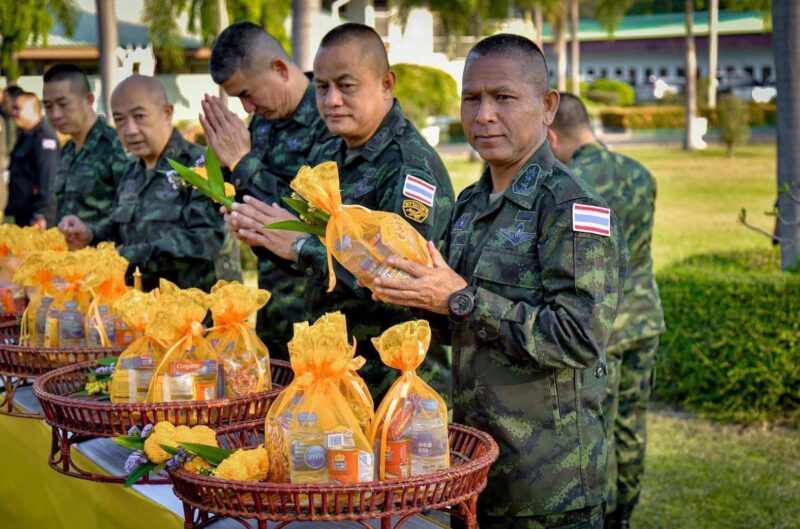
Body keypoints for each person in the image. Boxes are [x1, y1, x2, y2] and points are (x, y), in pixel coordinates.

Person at [371, 34, 626, 528]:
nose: (484, 114)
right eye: (472, 99)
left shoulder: (571, 208)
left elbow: (579, 337)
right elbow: (457, 324)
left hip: (549, 488)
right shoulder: (470, 203)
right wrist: (411, 291)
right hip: (473, 470)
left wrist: (461, 300)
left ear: (547, 106)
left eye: (503, 98)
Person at [224, 23, 456, 399]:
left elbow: (399, 279)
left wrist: (301, 247)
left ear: (386, 84)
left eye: (346, 86)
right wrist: (262, 234)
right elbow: (309, 254)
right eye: (321, 87)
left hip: (396, 385)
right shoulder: (330, 152)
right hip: (338, 373)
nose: (331, 100)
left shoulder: (409, 168)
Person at [549, 93, 665, 529]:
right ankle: (626, 514)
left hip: (603, 326)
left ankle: (605, 516)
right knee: (632, 425)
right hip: (645, 317)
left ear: (552, 134)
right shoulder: (641, 174)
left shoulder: (571, 183)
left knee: (597, 426)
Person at [203, 21, 333, 359]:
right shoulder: (263, 121)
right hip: (275, 306)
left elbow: (307, 218)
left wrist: (242, 161)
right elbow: (258, 199)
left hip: (320, 318)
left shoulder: (330, 120)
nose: (246, 107)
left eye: (247, 93)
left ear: (279, 69)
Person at [58, 75, 225, 291]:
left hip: (191, 315)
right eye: (119, 120)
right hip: (137, 309)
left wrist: (127, 256)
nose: (130, 130)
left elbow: (205, 241)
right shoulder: (132, 170)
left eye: (139, 116)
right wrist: (90, 233)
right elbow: (122, 228)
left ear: (167, 113)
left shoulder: (200, 165)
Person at [43, 64, 128, 234]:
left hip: (106, 256)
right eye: (48, 106)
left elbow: (131, 216)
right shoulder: (68, 151)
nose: (55, 114)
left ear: (89, 100)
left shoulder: (117, 146)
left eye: (63, 104)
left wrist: (91, 232)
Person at [5, 92, 59, 228]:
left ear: (33, 110)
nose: (14, 112)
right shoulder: (26, 134)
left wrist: (42, 214)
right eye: (13, 108)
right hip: (24, 212)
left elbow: (49, 179)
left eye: (18, 108)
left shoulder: (44, 138)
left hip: (37, 216)